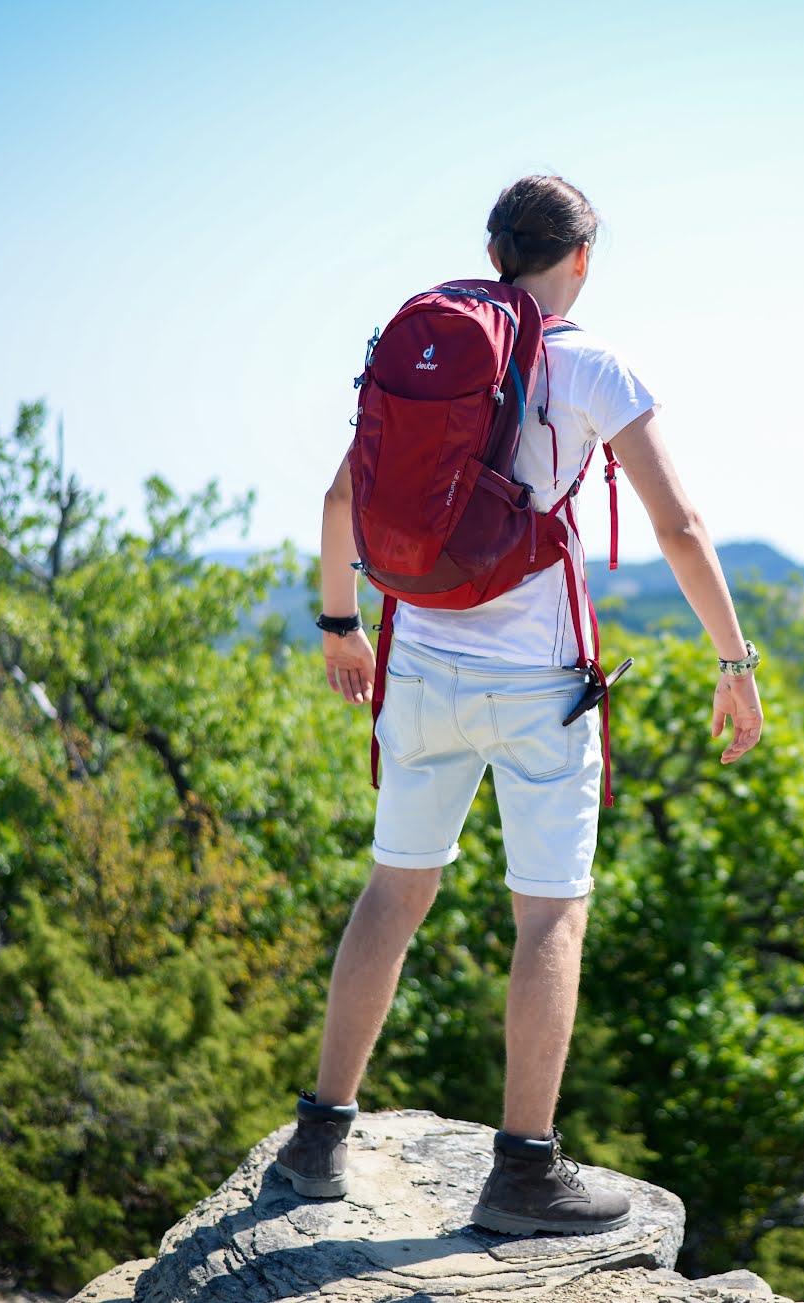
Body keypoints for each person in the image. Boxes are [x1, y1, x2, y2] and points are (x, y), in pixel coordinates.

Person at [275, 174, 765, 1235]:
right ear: (581, 259)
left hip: (414, 670)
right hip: (538, 683)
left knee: (393, 891)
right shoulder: (590, 361)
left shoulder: (431, 348)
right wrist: (735, 662)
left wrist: (336, 625)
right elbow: (677, 524)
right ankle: (523, 1175)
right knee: (547, 909)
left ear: (495, 249)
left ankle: (316, 1139)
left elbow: (336, 499)